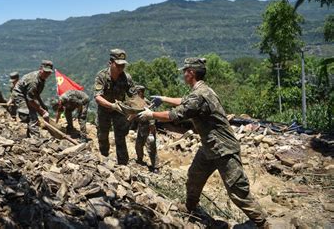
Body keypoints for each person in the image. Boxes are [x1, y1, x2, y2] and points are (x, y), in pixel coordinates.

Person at [138, 57, 267, 228]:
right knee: (194, 177)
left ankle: (263, 223)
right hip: (209, 147)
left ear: (191, 73)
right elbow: (185, 101)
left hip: (224, 149)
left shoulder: (200, 95)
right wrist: (164, 97)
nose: (183, 75)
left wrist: (151, 115)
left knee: (237, 190)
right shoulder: (200, 91)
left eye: (185, 71)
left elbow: (176, 115)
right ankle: (191, 208)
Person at [94, 49, 136, 165]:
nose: (121, 68)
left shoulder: (127, 78)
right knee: (102, 134)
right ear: (110, 63)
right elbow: (98, 97)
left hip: (119, 110)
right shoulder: (101, 76)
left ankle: (123, 164)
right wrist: (112, 105)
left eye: (123, 65)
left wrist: (137, 108)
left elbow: (134, 96)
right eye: (118, 65)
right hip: (105, 109)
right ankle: (104, 159)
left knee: (120, 136)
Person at [12, 60, 53, 137]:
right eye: (45, 72)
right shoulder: (33, 81)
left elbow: (36, 95)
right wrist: (42, 111)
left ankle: (29, 134)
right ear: (41, 69)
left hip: (28, 95)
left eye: (49, 73)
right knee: (31, 116)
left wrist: (42, 106)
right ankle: (35, 140)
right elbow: (31, 100)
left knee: (38, 109)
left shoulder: (41, 79)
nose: (46, 74)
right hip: (20, 95)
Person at [132, 85, 158, 172]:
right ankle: (140, 160)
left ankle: (155, 167)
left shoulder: (146, 103)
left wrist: (151, 133)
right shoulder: (138, 102)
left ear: (140, 92)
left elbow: (151, 120)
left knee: (151, 148)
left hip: (148, 129)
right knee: (138, 146)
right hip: (141, 128)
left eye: (136, 92)